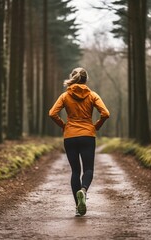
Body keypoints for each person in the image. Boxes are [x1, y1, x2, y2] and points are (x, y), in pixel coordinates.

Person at [49, 67, 110, 217]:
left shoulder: (65, 96)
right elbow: (105, 113)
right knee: (88, 169)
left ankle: (78, 207)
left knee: (75, 171)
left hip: (70, 136)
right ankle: (83, 190)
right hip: (87, 135)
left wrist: (64, 126)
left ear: (73, 78)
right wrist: (95, 126)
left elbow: (52, 113)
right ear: (86, 79)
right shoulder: (92, 95)